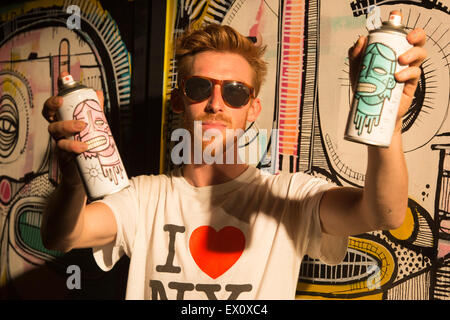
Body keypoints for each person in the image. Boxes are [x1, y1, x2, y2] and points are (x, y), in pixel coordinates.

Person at [41, 23, 427, 300]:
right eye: (199, 88)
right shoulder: (144, 198)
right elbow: (63, 235)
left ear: (252, 109)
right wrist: (74, 180)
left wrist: (386, 122)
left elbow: (384, 212)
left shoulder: (290, 194)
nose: (215, 104)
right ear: (179, 101)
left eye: (236, 93)